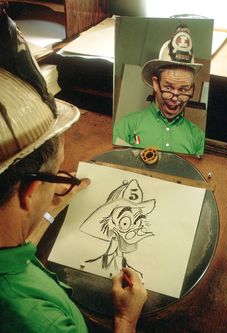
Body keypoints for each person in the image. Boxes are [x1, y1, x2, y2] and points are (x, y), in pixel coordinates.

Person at [0, 9, 147, 333]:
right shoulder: (43, 322)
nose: (60, 186)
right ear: (29, 190)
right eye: (57, 176)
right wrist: (126, 320)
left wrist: (47, 214)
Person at [113, 24, 205, 156]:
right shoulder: (126, 126)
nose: (175, 98)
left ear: (192, 89)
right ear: (155, 84)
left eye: (184, 90)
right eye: (168, 88)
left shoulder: (198, 138)